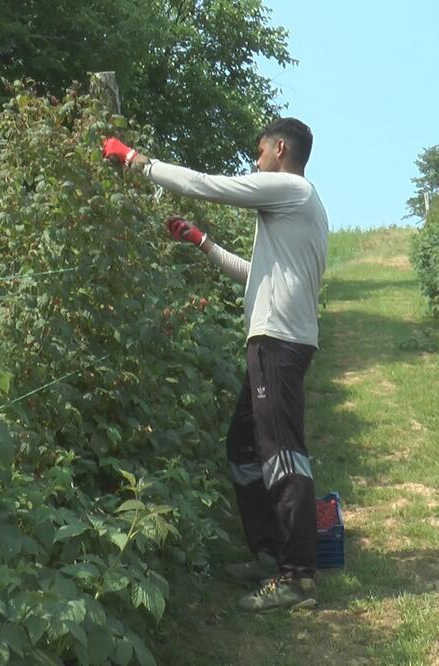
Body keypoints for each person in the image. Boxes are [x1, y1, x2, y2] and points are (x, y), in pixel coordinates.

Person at [101, 118, 328, 612]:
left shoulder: (289, 188)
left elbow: (210, 186)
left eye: (259, 152)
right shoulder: (297, 209)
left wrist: (139, 162)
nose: (255, 161)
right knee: (244, 447)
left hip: (278, 343)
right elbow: (256, 276)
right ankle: (270, 551)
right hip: (277, 342)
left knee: (282, 454)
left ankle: (297, 577)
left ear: (280, 149)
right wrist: (202, 241)